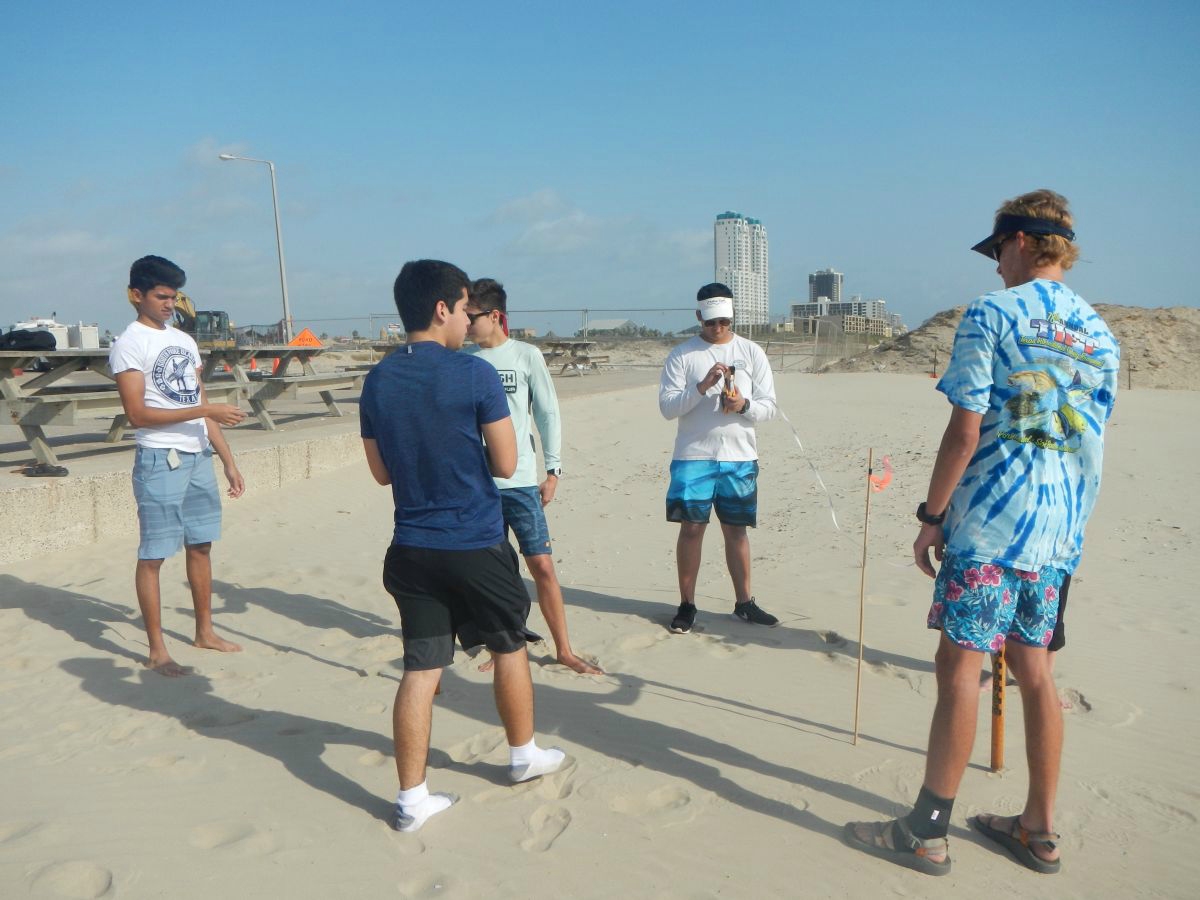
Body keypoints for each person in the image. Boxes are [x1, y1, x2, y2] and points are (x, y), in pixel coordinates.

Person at [844, 190, 1119, 876]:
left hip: (993, 524)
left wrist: (931, 516)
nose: (996, 265)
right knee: (1037, 668)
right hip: (1060, 528)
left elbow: (964, 430)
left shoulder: (992, 314)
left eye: (998, 250)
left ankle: (927, 828)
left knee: (960, 663)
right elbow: (1090, 440)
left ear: (1022, 242)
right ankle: (1039, 827)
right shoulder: (1101, 335)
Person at [360, 259, 565, 833]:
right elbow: (505, 461)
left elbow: (380, 472)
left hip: (411, 546)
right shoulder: (472, 374)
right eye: (464, 307)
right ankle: (522, 754)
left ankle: (411, 798)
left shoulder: (378, 379)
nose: (467, 320)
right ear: (442, 308)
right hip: (473, 538)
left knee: (421, 669)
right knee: (508, 646)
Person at [110, 255, 247, 677]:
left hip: (197, 455)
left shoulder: (185, 342)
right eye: (161, 296)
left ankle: (204, 631)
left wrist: (227, 459)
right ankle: (157, 649)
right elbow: (137, 414)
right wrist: (205, 409)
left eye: (174, 296)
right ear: (137, 296)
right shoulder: (129, 343)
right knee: (153, 556)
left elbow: (197, 405)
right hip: (159, 458)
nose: (170, 304)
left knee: (201, 545)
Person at [463, 278, 602, 675]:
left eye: (471, 316)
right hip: (478, 485)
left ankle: (564, 649)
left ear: (495, 316)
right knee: (492, 571)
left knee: (541, 565)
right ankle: (502, 643)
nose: (466, 323)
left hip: (521, 481)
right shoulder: (466, 361)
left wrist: (553, 470)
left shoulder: (526, 356)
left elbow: (547, 413)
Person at [658, 282, 778, 634]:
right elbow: (667, 408)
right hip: (693, 456)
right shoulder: (682, 355)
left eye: (724, 321)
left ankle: (744, 602)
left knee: (736, 531)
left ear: (732, 316)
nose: (718, 328)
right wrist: (702, 386)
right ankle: (687, 604)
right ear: (699, 317)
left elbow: (770, 407)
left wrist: (743, 405)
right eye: (711, 322)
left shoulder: (752, 352)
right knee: (691, 529)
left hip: (740, 456)